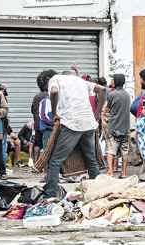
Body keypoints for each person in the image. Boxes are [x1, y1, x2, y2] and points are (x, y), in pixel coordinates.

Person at [43, 70, 106, 198]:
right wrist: (97, 114)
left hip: (72, 123)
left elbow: (54, 91)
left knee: (55, 161)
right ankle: (98, 192)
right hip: (88, 123)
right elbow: (102, 90)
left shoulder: (56, 78)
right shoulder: (81, 81)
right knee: (91, 160)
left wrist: (54, 112)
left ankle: (50, 194)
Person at [104, 74, 131, 178]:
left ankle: (110, 171)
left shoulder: (112, 94)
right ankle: (124, 173)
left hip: (114, 126)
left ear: (115, 82)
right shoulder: (127, 94)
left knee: (110, 150)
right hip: (125, 127)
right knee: (125, 151)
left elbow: (107, 109)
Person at [31, 70, 57, 166]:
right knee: (49, 147)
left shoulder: (37, 96)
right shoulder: (51, 95)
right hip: (49, 125)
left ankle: (37, 164)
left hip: (39, 125)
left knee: (39, 145)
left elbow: (33, 110)